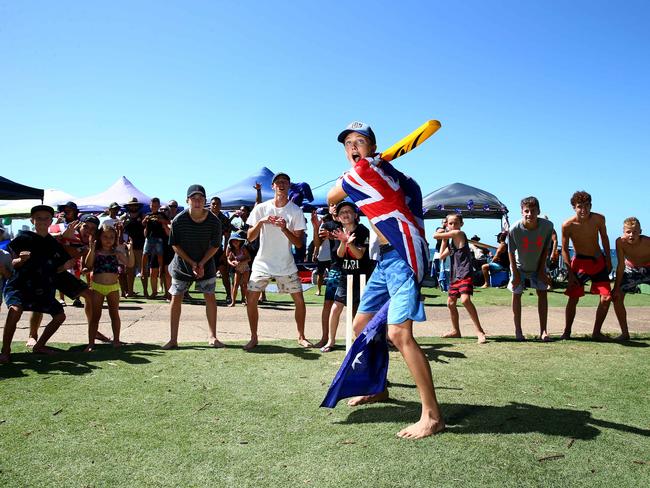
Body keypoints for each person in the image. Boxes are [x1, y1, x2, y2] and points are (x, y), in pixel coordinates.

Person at [328, 121, 444, 439]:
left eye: (360, 141)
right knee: (360, 328)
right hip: (385, 260)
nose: (353, 147)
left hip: (406, 256)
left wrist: (367, 165)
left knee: (398, 333)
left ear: (372, 147)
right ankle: (378, 388)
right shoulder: (378, 173)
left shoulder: (370, 172)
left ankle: (432, 416)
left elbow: (332, 195)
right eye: (347, 142)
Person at [244, 172, 312, 350]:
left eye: (285, 182)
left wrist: (284, 229)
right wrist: (261, 222)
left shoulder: (295, 210)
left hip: (285, 264)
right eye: (278, 182)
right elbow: (250, 238)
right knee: (251, 299)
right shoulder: (261, 208)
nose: (281, 184)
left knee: (299, 301)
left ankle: (301, 336)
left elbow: (298, 243)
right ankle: (253, 337)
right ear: (272, 186)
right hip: (262, 262)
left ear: (289, 187)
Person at [1, 205, 75, 364]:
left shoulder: (54, 243)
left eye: (46, 218)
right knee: (15, 310)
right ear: (32, 220)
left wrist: (66, 266)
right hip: (20, 286)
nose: (42, 221)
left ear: (51, 220)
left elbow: (58, 268)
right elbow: (12, 263)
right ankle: (5, 351)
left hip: (43, 288)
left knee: (60, 316)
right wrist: (20, 260)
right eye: (39, 218)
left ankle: (39, 345)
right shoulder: (22, 238)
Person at [163, 185, 224, 349]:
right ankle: (173, 339)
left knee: (210, 296)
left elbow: (215, 246)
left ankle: (213, 336)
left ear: (205, 201)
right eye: (193, 198)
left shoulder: (214, 221)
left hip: (207, 262)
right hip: (182, 263)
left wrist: (202, 263)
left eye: (201, 199)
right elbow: (175, 245)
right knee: (176, 298)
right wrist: (192, 263)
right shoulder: (178, 220)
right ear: (187, 200)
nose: (197, 202)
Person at [320, 201, 372, 352]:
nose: (345, 214)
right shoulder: (337, 229)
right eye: (342, 212)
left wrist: (350, 243)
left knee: (359, 310)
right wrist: (343, 241)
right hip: (345, 276)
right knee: (336, 308)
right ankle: (331, 341)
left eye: (348, 211)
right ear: (338, 216)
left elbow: (359, 255)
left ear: (355, 215)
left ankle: (359, 340)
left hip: (361, 276)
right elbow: (340, 254)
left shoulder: (362, 230)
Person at [561, 191, 612, 340]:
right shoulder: (568, 225)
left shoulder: (599, 219)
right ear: (573, 207)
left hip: (598, 261)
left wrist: (608, 259)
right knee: (573, 298)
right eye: (579, 206)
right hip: (579, 264)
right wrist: (570, 273)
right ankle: (567, 332)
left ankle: (596, 332)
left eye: (586, 206)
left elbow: (604, 238)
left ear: (591, 206)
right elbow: (564, 249)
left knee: (606, 298)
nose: (583, 210)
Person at [434, 214, 487, 344]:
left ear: (461, 224)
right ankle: (455, 331)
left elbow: (436, 236)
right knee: (450, 303)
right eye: (450, 223)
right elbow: (441, 256)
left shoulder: (459, 233)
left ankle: (480, 331)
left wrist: (442, 231)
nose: (453, 225)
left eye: (455, 223)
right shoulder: (452, 241)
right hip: (455, 276)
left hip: (465, 273)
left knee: (465, 300)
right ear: (447, 224)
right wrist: (445, 240)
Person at [508, 197, 554, 341]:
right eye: (526, 211)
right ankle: (518, 331)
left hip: (538, 265)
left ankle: (544, 331)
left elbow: (546, 248)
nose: (529, 214)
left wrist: (541, 271)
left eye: (533, 211)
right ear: (521, 212)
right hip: (519, 266)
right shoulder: (514, 229)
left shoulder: (547, 226)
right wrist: (515, 274)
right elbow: (510, 251)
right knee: (517, 294)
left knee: (543, 293)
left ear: (538, 211)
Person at [83, 224, 130, 351]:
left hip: (113, 287)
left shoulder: (117, 253)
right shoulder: (96, 252)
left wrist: (129, 250)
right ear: (99, 237)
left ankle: (116, 340)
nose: (108, 239)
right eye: (105, 237)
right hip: (97, 287)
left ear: (115, 239)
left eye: (112, 237)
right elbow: (88, 264)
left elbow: (130, 264)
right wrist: (92, 249)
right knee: (95, 316)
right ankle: (91, 343)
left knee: (114, 314)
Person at [611, 217, 649, 341]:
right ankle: (625, 333)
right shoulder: (620, 242)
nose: (631, 235)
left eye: (635, 232)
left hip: (648, 268)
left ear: (640, 231)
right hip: (631, 269)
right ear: (623, 231)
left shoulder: (647, 242)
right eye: (628, 232)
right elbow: (621, 265)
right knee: (617, 298)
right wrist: (616, 288)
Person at [311, 203, 341, 349]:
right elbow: (317, 242)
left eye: (337, 205)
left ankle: (357, 338)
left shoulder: (351, 222)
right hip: (335, 268)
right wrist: (316, 227)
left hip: (354, 269)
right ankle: (325, 338)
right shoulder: (328, 225)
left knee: (355, 305)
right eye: (332, 205)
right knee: (328, 303)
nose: (334, 208)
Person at [142, 197, 168, 298]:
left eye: (156, 206)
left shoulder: (161, 215)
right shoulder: (148, 215)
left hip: (159, 239)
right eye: (153, 206)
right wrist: (145, 220)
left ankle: (161, 270)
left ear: (159, 206)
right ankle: (143, 269)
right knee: (145, 254)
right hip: (149, 238)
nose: (154, 207)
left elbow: (168, 222)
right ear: (150, 206)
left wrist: (161, 220)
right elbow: (143, 224)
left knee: (160, 255)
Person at [210, 196, 233, 304]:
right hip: (205, 251)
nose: (215, 206)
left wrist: (225, 253)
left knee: (224, 273)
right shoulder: (204, 216)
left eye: (217, 204)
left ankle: (229, 295)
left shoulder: (224, 219)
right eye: (213, 204)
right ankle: (208, 296)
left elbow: (227, 237)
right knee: (206, 274)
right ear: (210, 205)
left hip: (219, 250)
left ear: (220, 206)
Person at [121, 197, 146, 297]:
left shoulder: (143, 216)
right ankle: (130, 292)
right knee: (129, 271)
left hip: (140, 246)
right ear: (128, 206)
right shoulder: (124, 217)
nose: (133, 206)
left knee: (143, 270)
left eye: (135, 205)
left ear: (138, 206)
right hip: (128, 247)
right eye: (131, 205)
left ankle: (145, 292)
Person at [226, 231, 251, 306]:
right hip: (237, 269)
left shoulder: (243, 249)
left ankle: (247, 301)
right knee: (236, 284)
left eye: (237, 240)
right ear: (231, 242)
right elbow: (228, 259)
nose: (235, 242)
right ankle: (233, 302)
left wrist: (241, 262)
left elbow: (249, 258)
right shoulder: (232, 251)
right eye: (234, 241)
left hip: (245, 268)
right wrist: (232, 263)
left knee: (245, 284)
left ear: (240, 241)